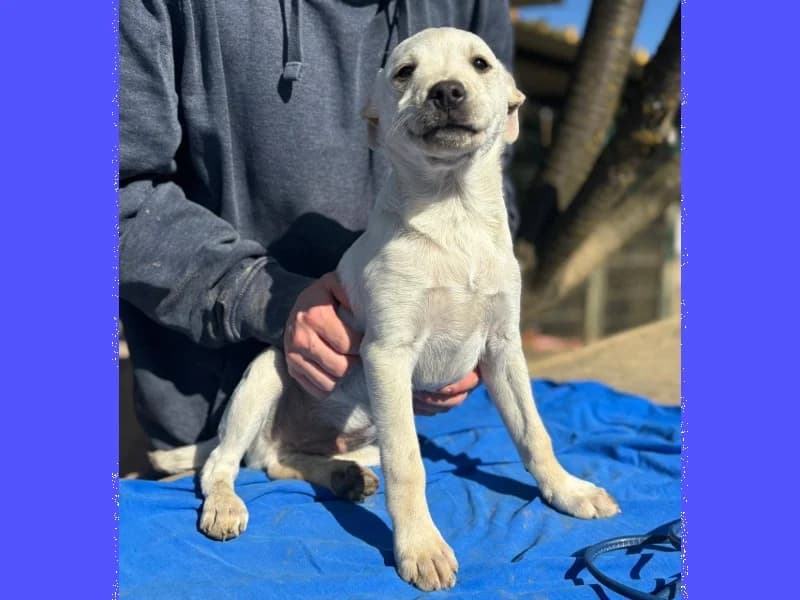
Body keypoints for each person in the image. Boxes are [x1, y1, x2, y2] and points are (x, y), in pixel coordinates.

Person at [119, 0, 520, 452]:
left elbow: (492, 152)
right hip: (219, 410)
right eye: (407, 72)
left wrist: (473, 298)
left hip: (399, 425)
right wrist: (259, 296)